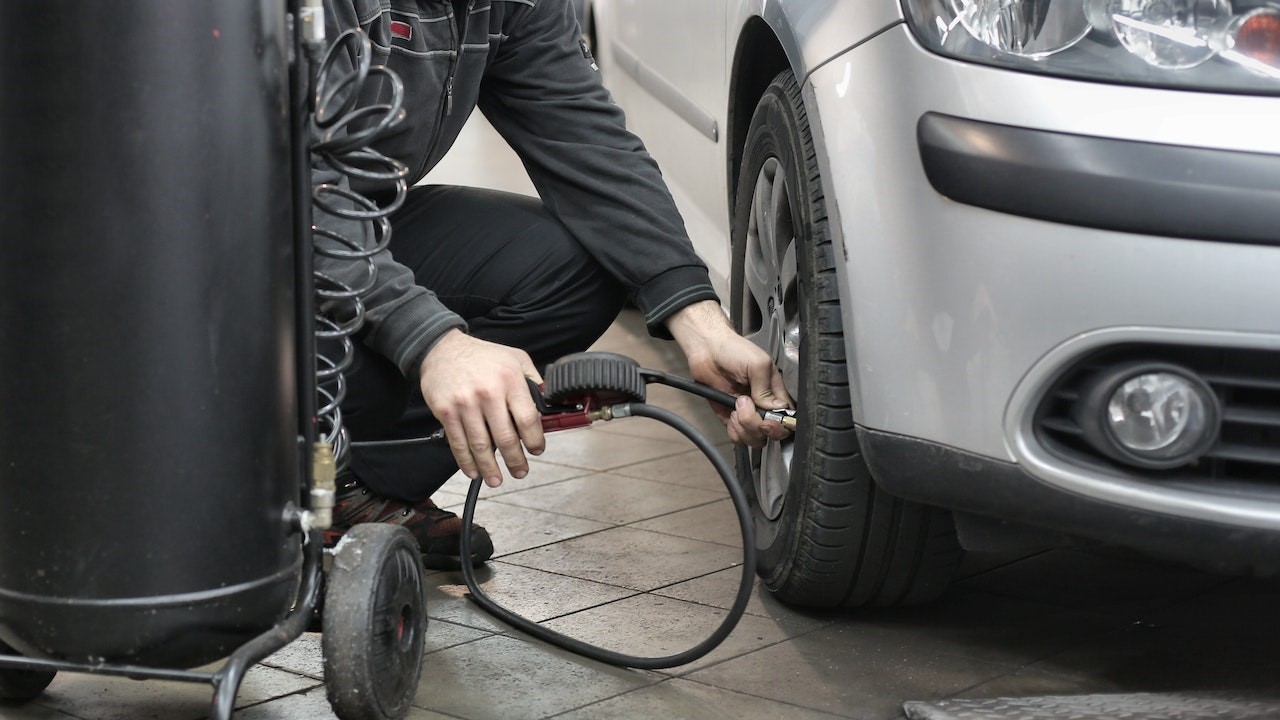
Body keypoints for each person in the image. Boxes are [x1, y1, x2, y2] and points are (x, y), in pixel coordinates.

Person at [315, 0, 793, 570]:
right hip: (224, 248)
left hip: (351, 220)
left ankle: (351, 485)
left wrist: (698, 318)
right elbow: (278, 185)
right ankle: (243, 468)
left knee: (578, 267)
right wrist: (433, 342)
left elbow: (587, 140)